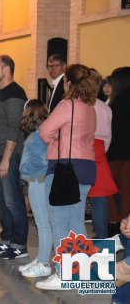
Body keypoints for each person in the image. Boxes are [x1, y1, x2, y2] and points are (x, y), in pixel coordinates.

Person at [36, 64, 97, 290]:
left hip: (65, 170)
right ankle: (80, 273)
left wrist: (55, 140)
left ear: (68, 83)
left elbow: (44, 131)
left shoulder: (67, 104)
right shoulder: (91, 107)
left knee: (60, 222)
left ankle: (64, 275)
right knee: (76, 222)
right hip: (87, 168)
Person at [0, 55, 28, 260]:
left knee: (13, 201)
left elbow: (15, 128)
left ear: (6, 70)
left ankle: (19, 244)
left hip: (8, 155)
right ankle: (7, 240)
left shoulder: (16, 93)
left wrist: (6, 159)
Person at [18, 100, 51, 278]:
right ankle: (41, 259)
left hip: (38, 181)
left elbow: (41, 160)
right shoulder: (43, 132)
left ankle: (44, 262)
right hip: (38, 180)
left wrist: (25, 169)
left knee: (43, 224)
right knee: (43, 223)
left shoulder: (39, 135)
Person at [87, 69, 117, 239]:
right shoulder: (104, 107)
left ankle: (75, 245)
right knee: (99, 200)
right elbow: (107, 138)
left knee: (78, 201)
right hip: (99, 152)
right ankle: (102, 241)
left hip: (83, 151)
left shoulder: (78, 104)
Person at [107, 67, 130, 233]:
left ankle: (117, 226)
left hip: (118, 154)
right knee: (126, 191)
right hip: (126, 154)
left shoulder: (120, 100)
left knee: (114, 192)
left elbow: (114, 129)